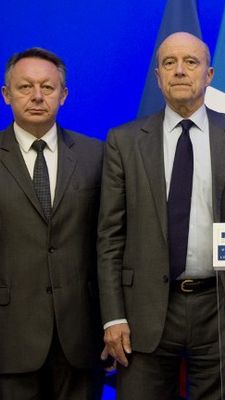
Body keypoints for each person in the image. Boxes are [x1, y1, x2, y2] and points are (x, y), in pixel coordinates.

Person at [97, 32, 225, 399]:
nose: (180, 71)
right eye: (169, 63)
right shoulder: (123, 141)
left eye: (191, 62)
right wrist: (113, 316)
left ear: (210, 74)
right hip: (143, 312)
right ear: (157, 76)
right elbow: (109, 237)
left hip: (219, 308)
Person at [0, 48, 104, 399]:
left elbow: (109, 241)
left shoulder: (96, 155)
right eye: (25, 87)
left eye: (48, 86)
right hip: (9, 336)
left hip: (80, 337)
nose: (37, 96)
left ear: (64, 95)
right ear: (6, 94)